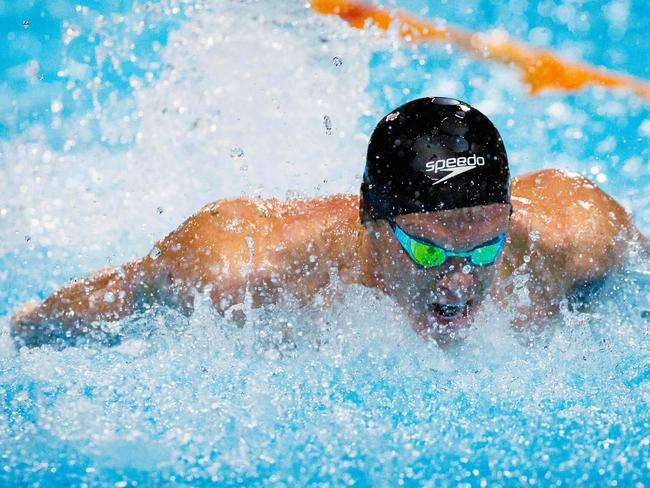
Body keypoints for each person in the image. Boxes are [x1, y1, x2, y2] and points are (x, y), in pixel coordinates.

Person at [10, 97, 648, 347]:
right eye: (428, 253)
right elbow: (99, 302)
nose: (459, 281)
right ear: (370, 222)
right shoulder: (245, 268)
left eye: (485, 250)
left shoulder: (575, 235)